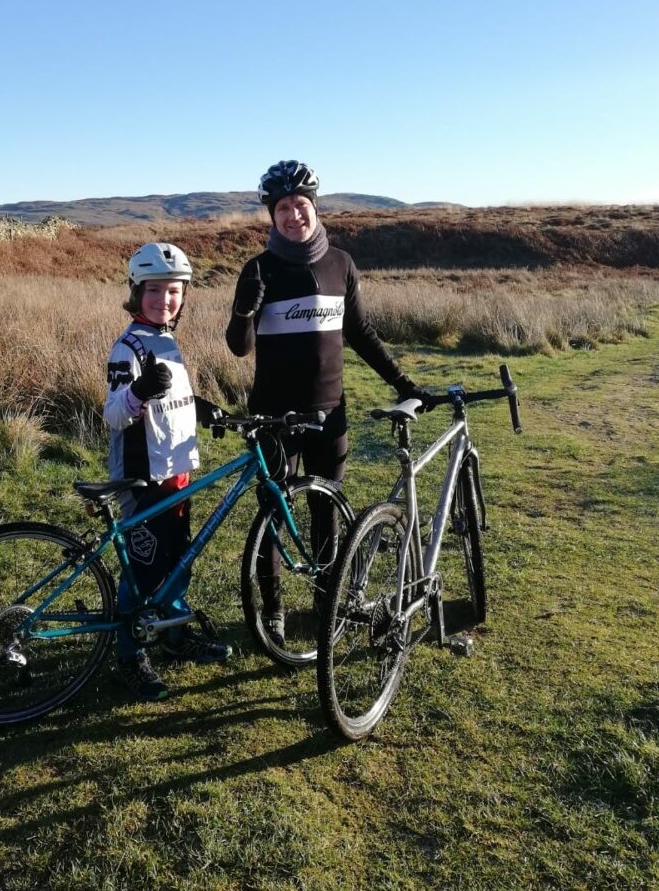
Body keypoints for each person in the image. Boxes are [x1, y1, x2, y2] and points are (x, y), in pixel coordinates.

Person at [226, 160, 433, 644]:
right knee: (274, 515)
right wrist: (243, 309)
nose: (293, 215)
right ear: (271, 216)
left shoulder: (340, 264)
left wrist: (403, 383)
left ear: (314, 207)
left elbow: (360, 333)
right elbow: (239, 346)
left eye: (300, 205)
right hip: (274, 417)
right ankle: (273, 611)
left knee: (326, 511)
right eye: (283, 208)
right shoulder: (259, 268)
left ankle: (325, 601)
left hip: (329, 413)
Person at [103, 241, 230, 702]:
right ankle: (129, 653)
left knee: (179, 557)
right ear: (136, 292)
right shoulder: (128, 346)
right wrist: (137, 390)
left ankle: (175, 633)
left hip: (177, 472)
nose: (165, 300)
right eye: (154, 290)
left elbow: (171, 398)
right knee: (141, 570)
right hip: (144, 478)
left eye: (173, 291)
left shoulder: (167, 340)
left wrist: (202, 408)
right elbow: (115, 414)